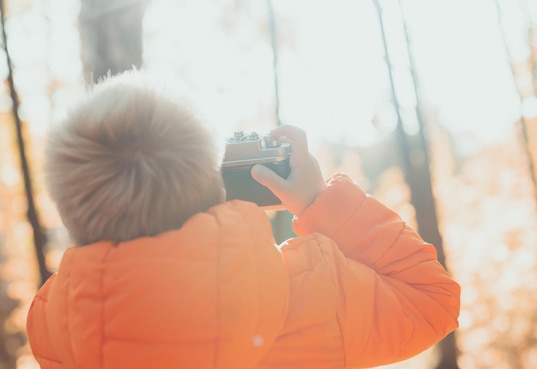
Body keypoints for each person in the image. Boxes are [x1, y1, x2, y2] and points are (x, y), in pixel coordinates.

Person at [26, 70, 461, 369]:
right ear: (219, 187)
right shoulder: (307, 293)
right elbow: (432, 299)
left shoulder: (53, 327)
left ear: (72, 210)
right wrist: (315, 199)